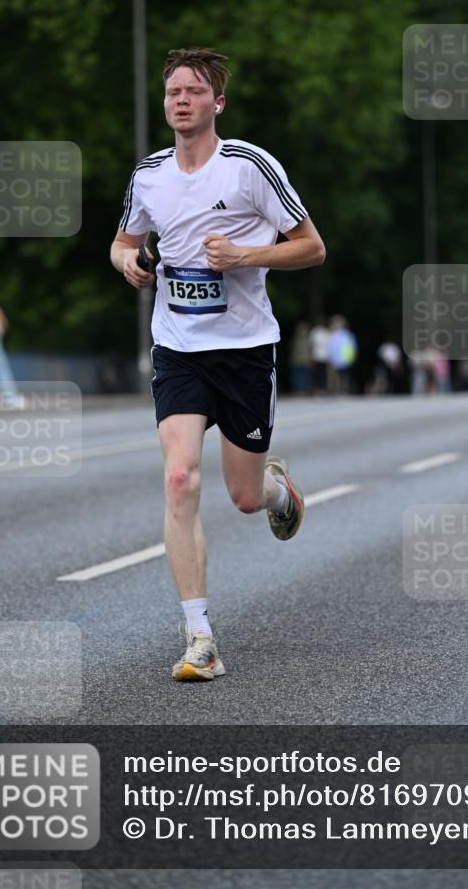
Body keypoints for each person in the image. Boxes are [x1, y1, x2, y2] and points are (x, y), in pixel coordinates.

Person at [110, 48, 325, 681]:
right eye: (173, 90)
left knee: (240, 496)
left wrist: (244, 254)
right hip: (177, 346)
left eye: (194, 91)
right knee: (180, 480)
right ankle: (199, 637)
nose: (180, 99)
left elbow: (311, 248)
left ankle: (275, 487)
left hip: (244, 349)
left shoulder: (249, 168)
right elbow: (123, 241)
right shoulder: (148, 175)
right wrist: (127, 262)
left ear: (217, 103)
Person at [326, 315, 357, 394]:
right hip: (338, 359)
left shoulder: (347, 335)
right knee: (337, 376)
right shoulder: (334, 335)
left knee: (344, 376)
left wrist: (352, 356)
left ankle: (343, 389)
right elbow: (330, 348)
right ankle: (337, 389)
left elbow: (353, 347)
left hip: (345, 359)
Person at [288, 321, 312, 395]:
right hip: (297, 360)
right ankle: (299, 390)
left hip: (303, 361)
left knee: (303, 376)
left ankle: (303, 390)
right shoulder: (297, 339)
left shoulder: (307, 339)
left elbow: (310, 350)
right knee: (297, 377)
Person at [309, 317, 330, 394]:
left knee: (319, 374)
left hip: (319, 356)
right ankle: (320, 389)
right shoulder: (325, 332)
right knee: (321, 374)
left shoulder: (315, 332)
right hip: (321, 356)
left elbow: (311, 345)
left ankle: (320, 389)